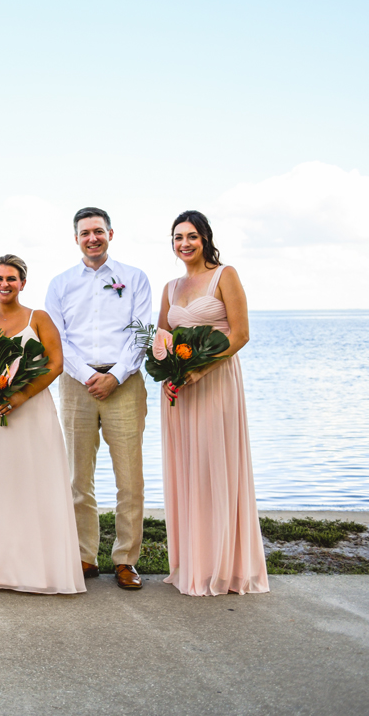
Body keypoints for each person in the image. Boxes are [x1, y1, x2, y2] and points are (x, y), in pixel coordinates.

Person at [0, 255, 85, 594]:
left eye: (11, 278)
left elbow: (55, 364)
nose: (4, 284)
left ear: (23, 283)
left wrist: (22, 396)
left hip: (31, 414)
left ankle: (35, 568)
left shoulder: (37, 318)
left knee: (31, 488)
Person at [157, 211, 269, 596]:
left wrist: (200, 371)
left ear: (205, 238)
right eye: (177, 237)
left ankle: (225, 566)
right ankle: (193, 563)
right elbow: (163, 336)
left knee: (215, 466)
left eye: (191, 236)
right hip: (179, 389)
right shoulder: (170, 287)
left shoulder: (226, 275)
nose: (184, 243)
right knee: (187, 469)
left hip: (215, 381)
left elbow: (240, 335)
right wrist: (170, 375)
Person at [45, 207, 151, 590]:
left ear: (110, 234)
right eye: (85, 232)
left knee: (130, 478)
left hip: (124, 383)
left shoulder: (134, 278)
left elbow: (141, 334)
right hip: (77, 384)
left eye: (98, 231)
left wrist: (116, 375)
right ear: (76, 238)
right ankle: (84, 556)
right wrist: (90, 375)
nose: (92, 237)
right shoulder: (60, 284)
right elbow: (58, 339)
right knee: (78, 477)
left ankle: (126, 559)